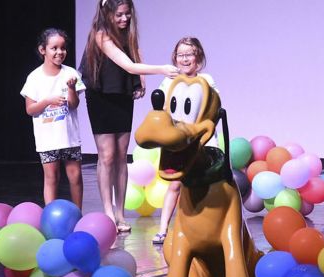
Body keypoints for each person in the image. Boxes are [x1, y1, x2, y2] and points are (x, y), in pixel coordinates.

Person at [79, 0, 179, 232]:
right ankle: (107, 211)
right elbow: (129, 65)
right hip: (101, 96)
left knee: (122, 155)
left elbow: (135, 55)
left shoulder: (128, 34)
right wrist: (162, 69)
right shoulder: (101, 35)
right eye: (120, 15)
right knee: (107, 155)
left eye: (127, 15)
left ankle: (120, 214)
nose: (125, 19)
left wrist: (141, 81)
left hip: (121, 95)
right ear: (108, 14)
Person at [152, 37, 219, 244]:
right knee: (175, 185)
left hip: (200, 140)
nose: (184, 59)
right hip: (178, 142)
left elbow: (213, 106)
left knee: (203, 185)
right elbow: (161, 109)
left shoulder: (206, 80)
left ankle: (203, 229)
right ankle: (163, 229)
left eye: (188, 54)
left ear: (198, 57)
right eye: (180, 55)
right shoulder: (169, 81)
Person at [20, 28, 86, 209]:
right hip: (47, 139)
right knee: (51, 177)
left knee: (75, 176)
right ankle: (50, 214)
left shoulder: (70, 73)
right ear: (43, 50)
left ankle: (77, 212)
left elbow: (74, 105)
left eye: (63, 48)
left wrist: (72, 89)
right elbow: (30, 109)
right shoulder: (34, 77)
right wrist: (48, 101)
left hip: (69, 137)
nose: (59, 52)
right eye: (54, 48)